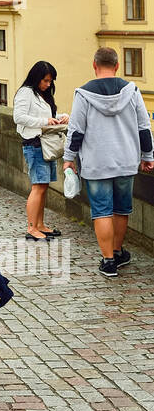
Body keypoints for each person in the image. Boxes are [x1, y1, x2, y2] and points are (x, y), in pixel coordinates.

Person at [62, 46, 154, 277]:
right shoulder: (132, 91)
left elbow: (76, 131)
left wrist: (69, 159)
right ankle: (118, 251)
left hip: (96, 162)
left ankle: (108, 261)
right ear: (117, 66)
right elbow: (144, 127)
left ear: (94, 66)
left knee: (102, 211)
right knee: (121, 209)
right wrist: (148, 156)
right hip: (125, 160)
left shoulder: (83, 94)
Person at [12, 60, 69, 242]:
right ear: (36, 78)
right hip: (34, 143)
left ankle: (40, 225)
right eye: (45, 80)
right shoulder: (25, 92)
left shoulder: (41, 94)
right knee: (38, 186)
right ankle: (31, 228)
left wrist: (59, 118)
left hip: (44, 143)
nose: (48, 84)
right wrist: (45, 122)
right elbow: (18, 117)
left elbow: (45, 117)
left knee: (43, 186)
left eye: (50, 81)